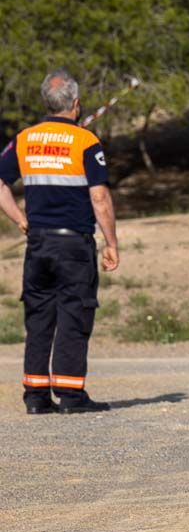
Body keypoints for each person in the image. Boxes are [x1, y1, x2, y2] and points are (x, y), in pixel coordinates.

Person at [0, 69, 119, 414]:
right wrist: (111, 242)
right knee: (74, 314)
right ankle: (71, 395)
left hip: (37, 243)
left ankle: (36, 397)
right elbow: (99, 198)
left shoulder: (24, 139)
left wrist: (21, 220)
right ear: (76, 104)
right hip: (74, 245)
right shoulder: (86, 141)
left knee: (38, 317)